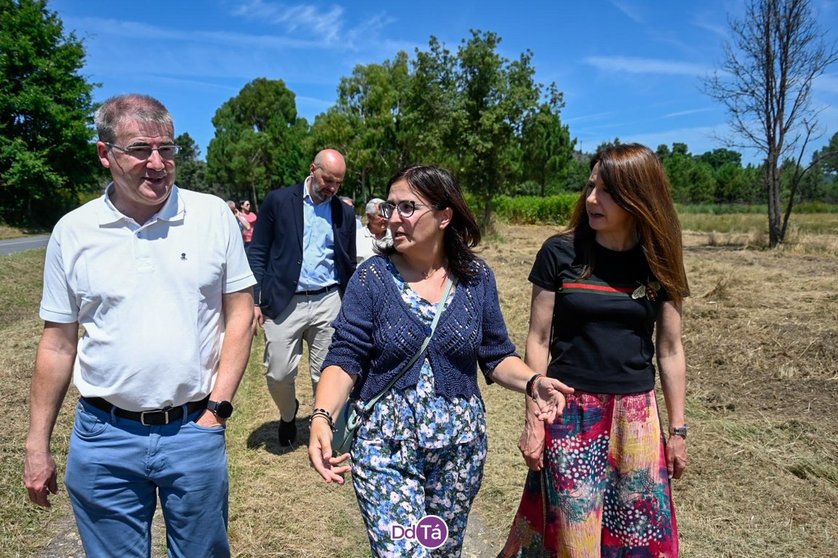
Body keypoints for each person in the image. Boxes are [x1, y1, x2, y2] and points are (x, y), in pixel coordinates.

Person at [23, 94, 256, 557]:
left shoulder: (212, 216)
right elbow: (58, 345)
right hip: (103, 437)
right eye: (140, 150)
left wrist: (218, 411)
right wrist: (37, 444)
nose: (157, 163)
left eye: (166, 150)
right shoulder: (73, 231)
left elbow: (241, 314)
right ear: (105, 153)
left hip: (194, 429)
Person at [308, 165, 574, 557]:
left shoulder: (476, 278)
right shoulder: (372, 278)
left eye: (407, 208)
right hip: (386, 447)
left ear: (444, 215)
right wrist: (321, 415)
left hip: (459, 451)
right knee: (404, 552)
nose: (393, 218)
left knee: (443, 550)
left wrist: (534, 382)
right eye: (389, 206)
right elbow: (345, 355)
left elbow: (496, 354)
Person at [499, 143, 690, 557]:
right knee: (572, 535)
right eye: (589, 187)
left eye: (606, 191)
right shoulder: (559, 253)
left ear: (638, 195)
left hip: (636, 419)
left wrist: (677, 430)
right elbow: (539, 338)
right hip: (570, 411)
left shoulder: (660, 259)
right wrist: (535, 417)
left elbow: (671, 349)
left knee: (637, 535)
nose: (590, 199)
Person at [248, 149, 357, 446]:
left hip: (329, 301)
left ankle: (323, 428)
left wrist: (353, 300)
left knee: (327, 373)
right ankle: (288, 413)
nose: (331, 188)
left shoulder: (344, 212)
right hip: (286, 300)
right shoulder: (279, 201)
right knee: (278, 372)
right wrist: (256, 298)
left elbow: (347, 260)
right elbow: (258, 251)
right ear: (312, 169)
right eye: (327, 179)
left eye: (338, 183)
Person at [355, 197, 392, 263]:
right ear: (369, 216)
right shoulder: (356, 237)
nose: (385, 219)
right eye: (381, 216)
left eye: (387, 215)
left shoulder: (394, 238)